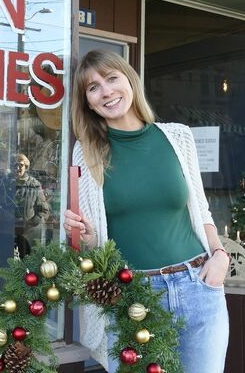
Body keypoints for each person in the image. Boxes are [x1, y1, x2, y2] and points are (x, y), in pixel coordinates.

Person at [63, 49, 229, 372]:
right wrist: (89, 235)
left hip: (198, 286)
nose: (106, 91)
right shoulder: (86, 154)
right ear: (88, 102)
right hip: (131, 297)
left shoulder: (178, 137)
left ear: (129, 80)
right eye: (93, 87)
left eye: (111, 78)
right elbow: (91, 247)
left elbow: (201, 211)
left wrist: (220, 255)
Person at [13, 153, 51, 254]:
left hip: (28, 233)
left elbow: (44, 210)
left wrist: (32, 224)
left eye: (20, 165)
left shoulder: (34, 185)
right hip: (10, 231)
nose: (17, 168)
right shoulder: (7, 183)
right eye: (14, 165)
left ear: (26, 167)